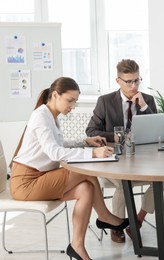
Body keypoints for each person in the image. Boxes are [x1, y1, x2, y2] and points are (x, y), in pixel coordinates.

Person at [10, 77, 128, 260]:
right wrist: (93, 154)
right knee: (84, 172)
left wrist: (84, 141)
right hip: (26, 182)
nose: (72, 106)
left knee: (86, 188)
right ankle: (104, 216)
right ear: (55, 95)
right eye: (70, 100)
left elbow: (59, 144)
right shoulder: (41, 116)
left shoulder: (50, 116)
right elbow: (55, 153)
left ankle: (77, 246)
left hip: (41, 177)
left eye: (75, 101)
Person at [86, 58, 161, 243]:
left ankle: (137, 220)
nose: (134, 85)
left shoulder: (148, 100)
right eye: (129, 81)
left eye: (137, 80)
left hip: (140, 161)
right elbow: (91, 131)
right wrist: (114, 137)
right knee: (121, 184)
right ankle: (116, 226)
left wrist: (143, 107)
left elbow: (158, 130)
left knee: (161, 180)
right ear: (118, 80)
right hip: (114, 161)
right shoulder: (105, 101)